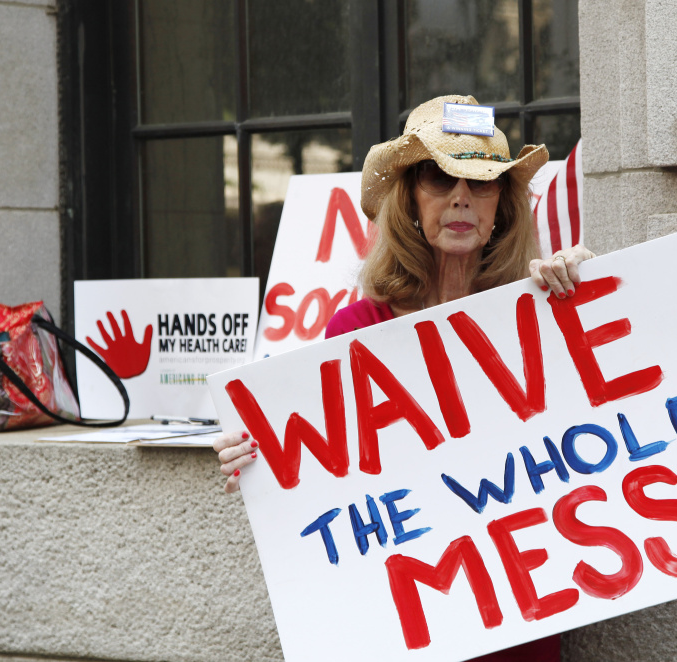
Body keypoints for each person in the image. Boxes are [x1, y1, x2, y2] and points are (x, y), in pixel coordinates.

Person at [214, 94, 587, 661]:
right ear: (410, 199)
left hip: (519, 623)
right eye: (439, 177)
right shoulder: (357, 329)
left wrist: (592, 288)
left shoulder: (537, 313)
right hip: (406, 627)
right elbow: (310, 456)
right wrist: (251, 453)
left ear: (501, 207)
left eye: (481, 181)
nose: (461, 196)